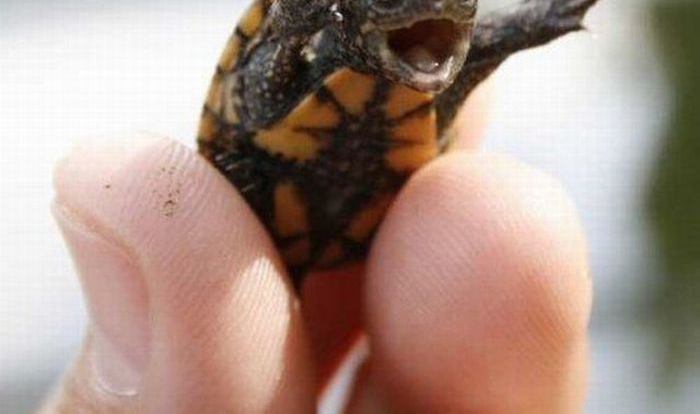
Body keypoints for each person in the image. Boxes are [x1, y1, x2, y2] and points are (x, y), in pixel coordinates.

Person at [41, 88, 591, 413]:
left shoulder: (423, 58)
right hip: (260, 180)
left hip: (349, 212)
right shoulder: (328, 26)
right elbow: (258, 86)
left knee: (481, 233)